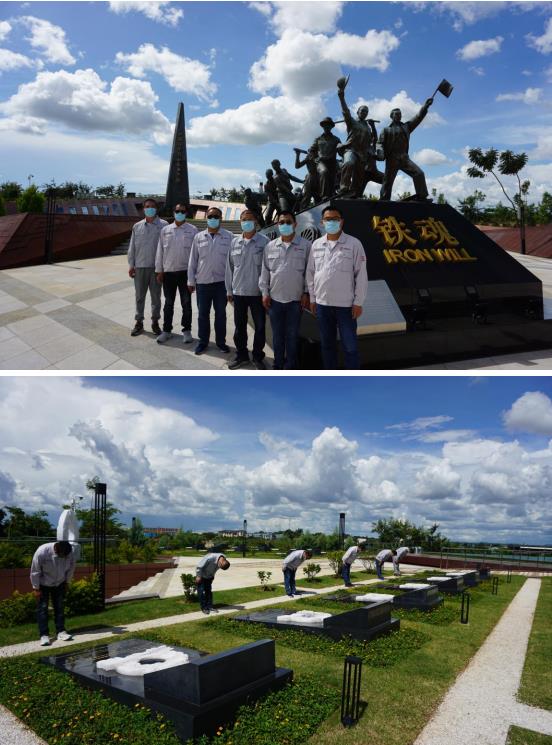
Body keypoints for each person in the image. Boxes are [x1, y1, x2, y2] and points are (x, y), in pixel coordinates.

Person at [306, 205, 368, 369]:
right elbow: (310, 273)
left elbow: (361, 274)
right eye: (328, 219)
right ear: (322, 222)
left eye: (335, 219)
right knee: (327, 345)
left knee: (350, 347)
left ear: (342, 221)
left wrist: (358, 302)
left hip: (345, 306)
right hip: (323, 305)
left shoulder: (354, 243)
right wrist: (312, 299)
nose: (331, 222)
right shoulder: (316, 244)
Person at [259, 211, 311, 370]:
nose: (285, 225)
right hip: (275, 300)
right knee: (277, 336)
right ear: (277, 225)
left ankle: (290, 366)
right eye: (281, 222)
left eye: (288, 222)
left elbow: (309, 272)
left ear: (295, 224)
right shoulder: (270, 246)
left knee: (292, 336)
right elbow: (265, 271)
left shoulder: (305, 245)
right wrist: (265, 293)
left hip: (295, 300)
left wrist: (306, 292)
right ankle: (278, 364)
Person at [226, 209, 268, 370]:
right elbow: (229, 268)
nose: (247, 222)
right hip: (239, 292)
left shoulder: (264, 242)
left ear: (256, 222)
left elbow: (268, 269)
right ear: (240, 222)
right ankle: (241, 355)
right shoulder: (234, 242)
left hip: (257, 293)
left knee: (260, 327)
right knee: (240, 326)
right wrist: (229, 290)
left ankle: (258, 357)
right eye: (244, 220)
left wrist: (266, 292)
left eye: (250, 219)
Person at [188, 207, 233, 355]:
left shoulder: (229, 236)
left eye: (216, 216)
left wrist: (231, 286)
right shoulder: (199, 237)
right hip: (203, 283)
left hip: (221, 284)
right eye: (210, 216)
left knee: (220, 314)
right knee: (203, 314)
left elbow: (233, 262)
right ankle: (203, 342)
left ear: (221, 218)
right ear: (206, 218)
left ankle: (221, 342)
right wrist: (191, 281)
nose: (213, 219)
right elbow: (193, 260)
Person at [155, 203, 198, 345]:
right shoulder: (165, 230)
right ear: (173, 212)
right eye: (177, 211)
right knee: (168, 303)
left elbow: (196, 254)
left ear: (186, 213)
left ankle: (187, 330)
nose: (180, 213)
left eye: (182, 211)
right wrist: (159, 270)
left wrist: (194, 276)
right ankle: (166, 330)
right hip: (169, 273)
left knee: (186, 303)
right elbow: (160, 251)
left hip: (185, 273)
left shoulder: (193, 230)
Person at [377, 99, 434, 201]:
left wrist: (425, 106)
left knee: (419, 173)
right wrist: (380, 151)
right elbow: (379, 143)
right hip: (392, 159)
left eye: (400, 114)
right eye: (396, 114)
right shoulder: (386, 130)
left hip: (404, 158)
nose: (399, 116)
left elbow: (418, 117)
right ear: (391, 116)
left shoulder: (406, 127)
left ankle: (422, 197)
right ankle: (384, 201)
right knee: (387, 182)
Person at [128, 198, 167, 337]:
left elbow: (166, 248)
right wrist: (131, 265)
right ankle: (139, 322)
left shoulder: (164, 225)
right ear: (144, 209)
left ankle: (155, 322)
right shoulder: (137, 226)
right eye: (147, 206)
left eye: (152, 206)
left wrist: (162, 269)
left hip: (156, 268)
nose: (150, 208)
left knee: (156, 298)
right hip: (140, 267)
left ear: (156, 208)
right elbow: (132, 247)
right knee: (139, 297)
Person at [336, 77, 379, 198]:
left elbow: (374, 140)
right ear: (358, 112)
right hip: (351, 149)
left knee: (359, 175)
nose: (364, 112)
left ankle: (353, 193)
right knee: (349, 163)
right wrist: (341, 97)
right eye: (362, 111)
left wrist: (373, 126)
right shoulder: (352, 122)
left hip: (362, 153)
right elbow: (345, 111)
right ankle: (343, 188)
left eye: (366, 111)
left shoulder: (367, 127)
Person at [30, 540, 76, 646]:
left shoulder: (69, 552)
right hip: (43, 584)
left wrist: (67, 582)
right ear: (56, 550)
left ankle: (61, 631)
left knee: (59, 608)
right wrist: (36, 588)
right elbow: (35, 571)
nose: (65, 557)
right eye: (62, 556)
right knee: (43, 609)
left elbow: (71, 567)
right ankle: (44, 635)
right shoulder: (42, 552)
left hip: (59, 583)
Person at [312, 117, 341, 200]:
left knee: (340, 171)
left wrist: (343, 148)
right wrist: (315, 159)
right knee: (324, 172)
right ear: (323, 126)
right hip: (321, 162)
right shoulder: (318, 139)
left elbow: (341, 152)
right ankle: (324, 195)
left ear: (331, 127)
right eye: (325, 125)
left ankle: (339, 191)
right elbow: (312, 150)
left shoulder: (336, 139)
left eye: (328, 125)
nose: (326, 126)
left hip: (332, 162)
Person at [294, 145, 320, 210]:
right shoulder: (308, 157)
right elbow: (297, 166)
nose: (312, 153)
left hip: (318, 179)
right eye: (311, 151)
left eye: (313, 151)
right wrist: (298, 155)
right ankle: (302, 211)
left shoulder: (320, 157)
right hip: (310, 179)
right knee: (306, 198)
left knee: (318, 198)